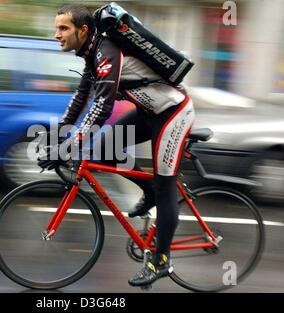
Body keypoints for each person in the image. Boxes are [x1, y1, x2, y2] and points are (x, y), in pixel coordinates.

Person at [38, 3, 195, 287]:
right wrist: (57, 139)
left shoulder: (106, 52)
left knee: (165, 183)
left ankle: (160, 261)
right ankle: (149, 192)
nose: (57, 34)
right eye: (56, 28)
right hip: (150, 113)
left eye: (63, 28)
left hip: (173, 114)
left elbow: (102, 105)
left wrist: (70, 145)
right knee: (105, 150)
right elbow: (80, 100)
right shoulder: (91, 55)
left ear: (82, 31)